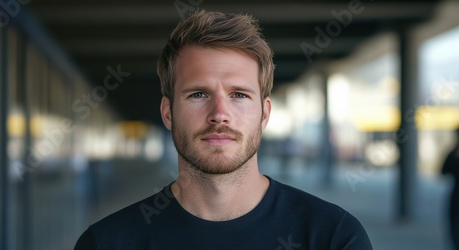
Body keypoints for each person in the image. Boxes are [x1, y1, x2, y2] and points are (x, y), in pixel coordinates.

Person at [74, 10, 372, 249]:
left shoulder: (333, 237)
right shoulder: (107, 242)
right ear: (168, 113)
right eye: (198, 94)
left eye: (239, 95)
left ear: (264, 113)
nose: (219, 115)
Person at [442, 126, 459, 250]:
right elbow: (443, 171)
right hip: (457, 197)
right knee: (455, 230)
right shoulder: (453, 153)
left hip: (456, 196)